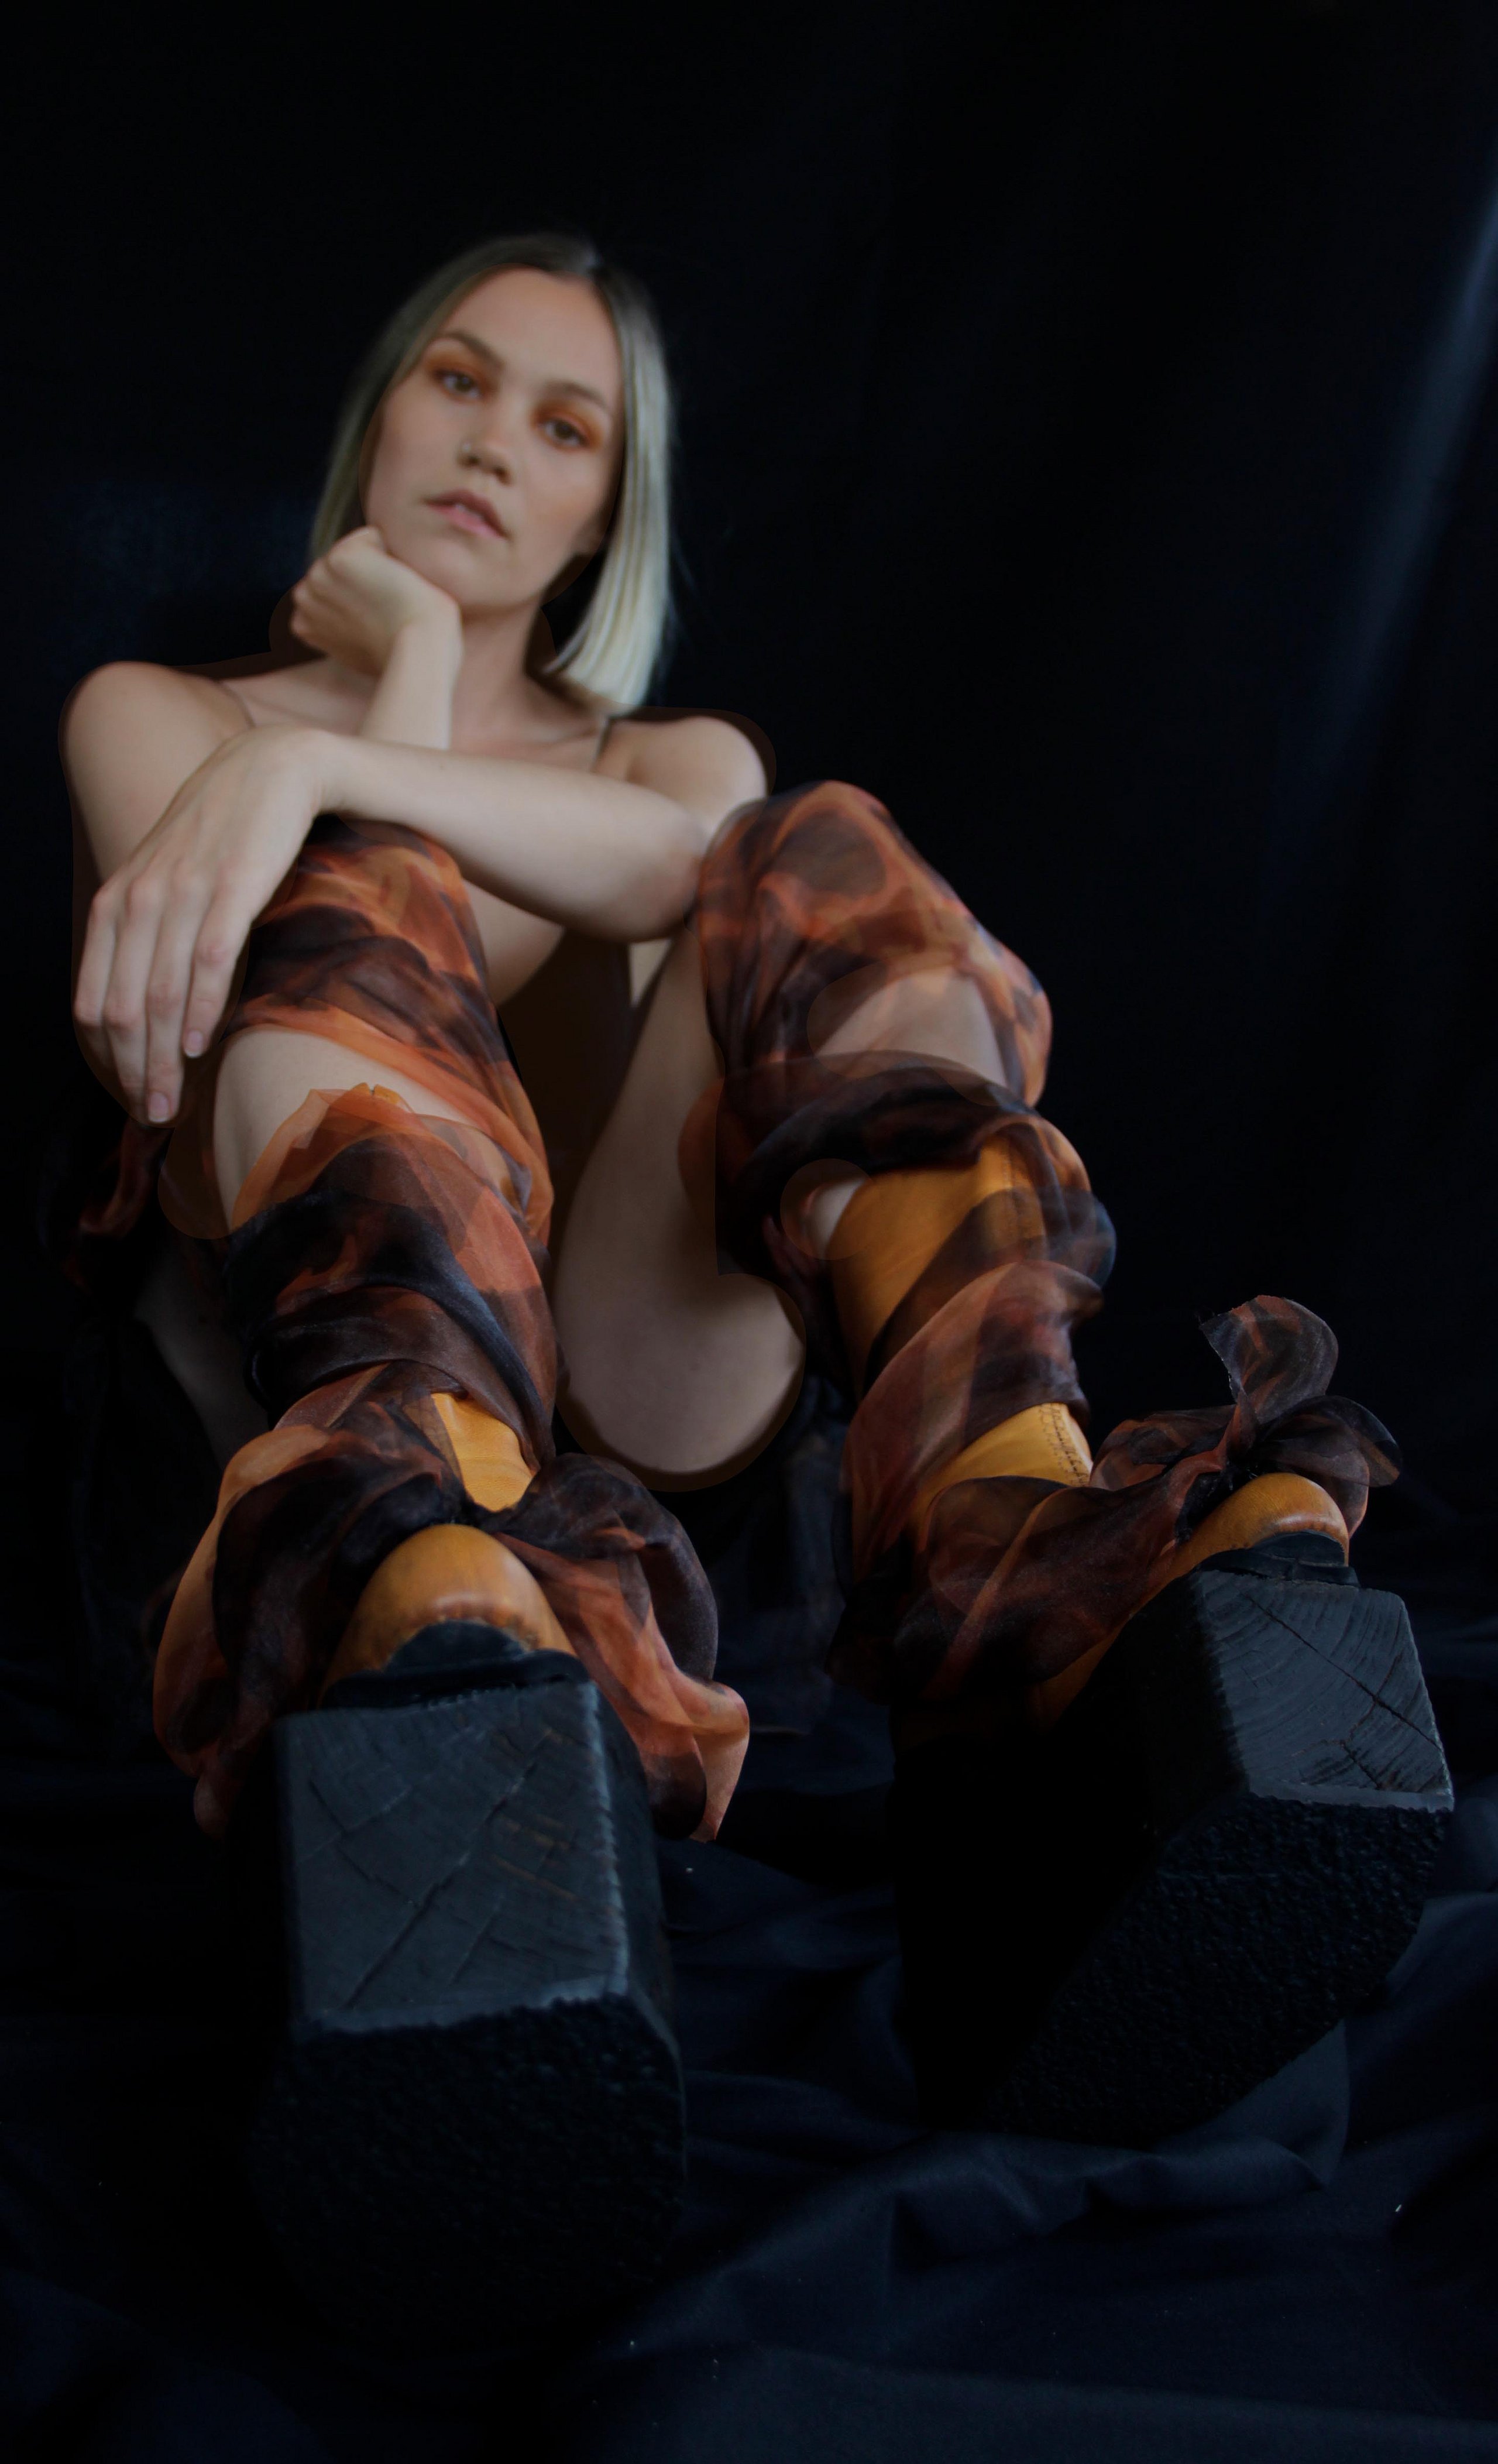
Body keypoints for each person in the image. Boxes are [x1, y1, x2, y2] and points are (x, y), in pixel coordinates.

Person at [61, 232, 1447, 2345]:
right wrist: (375, 696)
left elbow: (706, 867)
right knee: (339, 905)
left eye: (566, 428)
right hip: (327, 1408)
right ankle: (422, 1547)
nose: (495, 449)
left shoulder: (659, 757)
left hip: (629, 1397)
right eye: (459, 383)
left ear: (605, 514)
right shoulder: (165, 717)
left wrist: (332, 759)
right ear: (381, 414)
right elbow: (395, 960)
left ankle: (1014, 1519)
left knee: (817, 847)